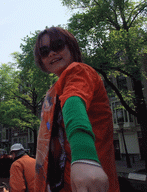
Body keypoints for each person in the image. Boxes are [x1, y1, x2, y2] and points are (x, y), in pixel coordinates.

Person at [34, 27, 120, 192]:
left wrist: (85, 156)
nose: (51, 53)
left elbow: (73, 101)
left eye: (58, 45)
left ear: (71, 46)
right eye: (44, 51)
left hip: (88, 183)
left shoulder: (79, 71)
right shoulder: (55, 90)